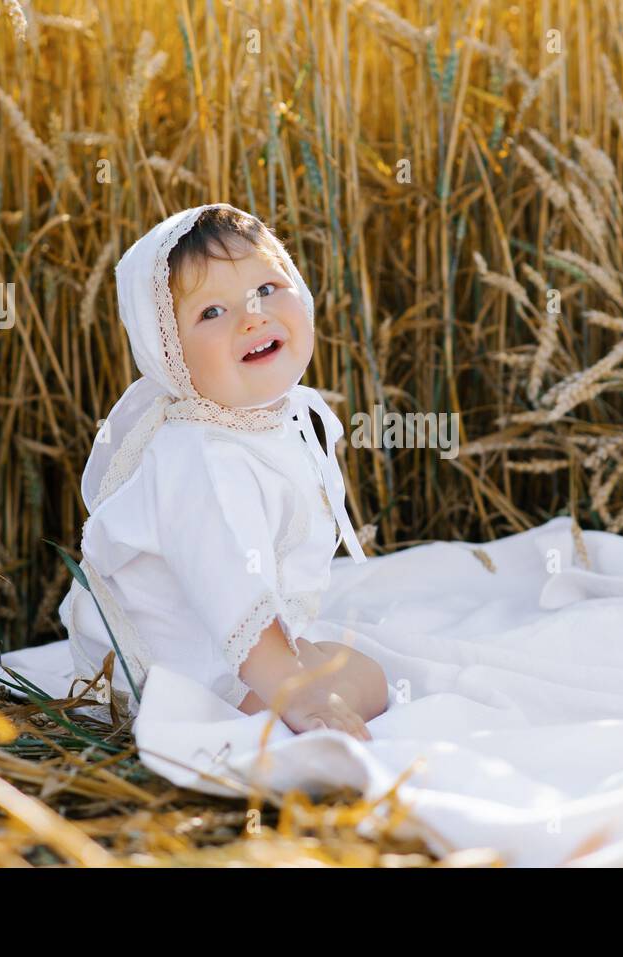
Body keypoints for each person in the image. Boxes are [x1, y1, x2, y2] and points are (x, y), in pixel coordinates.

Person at [59, 203, 387, 740]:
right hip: (168, 676)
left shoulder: (262, 422)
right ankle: (263, 700)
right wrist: (294, 689)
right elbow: (228, 580)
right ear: (169, 354)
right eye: (211, 312)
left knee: (361, 670)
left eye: (267, 288)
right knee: (359, 680)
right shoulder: (197, 453)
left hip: (220, 648)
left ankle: (277, 680)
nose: (252, 316)